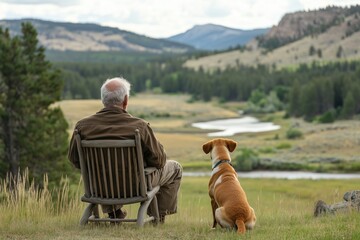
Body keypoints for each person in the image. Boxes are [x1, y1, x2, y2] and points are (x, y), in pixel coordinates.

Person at [68, 77, 182, 223]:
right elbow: (159, 161)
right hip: (136, 187)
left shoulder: (82, 126)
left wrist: (97, 169)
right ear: (126, 100)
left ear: (103, 100)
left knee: (107, 171)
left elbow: (74, 160)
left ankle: (114, 213)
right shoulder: (139, 126)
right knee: (176, 168)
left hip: (99, 187)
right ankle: (157, 217)